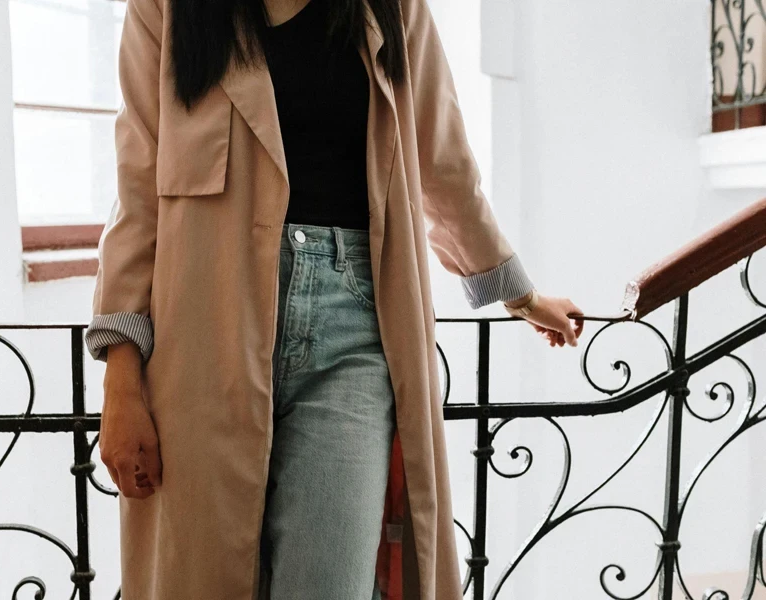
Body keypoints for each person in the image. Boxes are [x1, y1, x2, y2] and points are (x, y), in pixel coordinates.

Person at [84, 0, 585, 598]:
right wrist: (120, 377)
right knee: (201, 575)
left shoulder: (392, 8)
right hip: (203, 329)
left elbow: (441, 156)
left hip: (355, 328)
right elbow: (137, 185)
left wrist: (519, 294)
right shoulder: (167, 9)